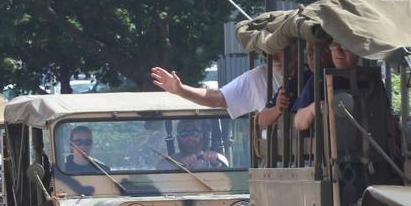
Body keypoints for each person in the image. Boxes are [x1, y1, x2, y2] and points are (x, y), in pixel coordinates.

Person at [151, 52, 288, 128]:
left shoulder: (308, 73)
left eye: (280, 47)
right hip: (278, 159)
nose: (273, 55)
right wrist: (180, 90)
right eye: (268, 48)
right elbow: (218, 98)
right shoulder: (259, 76)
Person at [294, 42, 359, 131]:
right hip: (329, 142)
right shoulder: (319, 78)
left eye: (345, 46)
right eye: (333, 46)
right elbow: (299, 122)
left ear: (358, 51)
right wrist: (314, 108)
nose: (338, 51)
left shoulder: (370, 78)